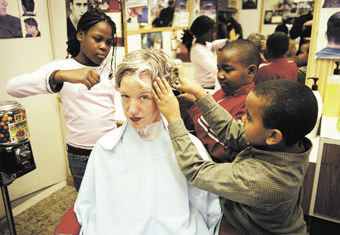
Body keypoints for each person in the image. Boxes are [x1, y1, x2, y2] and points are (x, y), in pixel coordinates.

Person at [74, 48, 222, 235]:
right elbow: (89, 207)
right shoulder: (105, 149)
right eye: (125, 96)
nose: (132, 110)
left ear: (165, 95)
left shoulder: (189, 148)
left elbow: (209, 209)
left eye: (144, 97)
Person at [153, 73, 318, 234]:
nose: (243, 120)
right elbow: (231, 130)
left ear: (273, 135)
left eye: (250, 117)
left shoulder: (261, 179)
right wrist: (199, 93)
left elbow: (196, 171)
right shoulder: (288, 145)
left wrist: (174, 119)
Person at [6, 10, 117, 191]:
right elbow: (13, 87)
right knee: (88, 205)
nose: (104, 46)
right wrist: (62, 75)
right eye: (98, 39)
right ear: (80, 35)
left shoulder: (110, 69)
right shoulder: (62, 67)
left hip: (112, 149)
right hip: (81, 154)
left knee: (113, 197)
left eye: (109, 42)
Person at [180, 39, 260, 163]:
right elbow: (198, 126)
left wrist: (194, 107)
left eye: (227, 70)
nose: (220, 75)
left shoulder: (250, 104)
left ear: (250, 71)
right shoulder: (221, 92)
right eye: (218, 69)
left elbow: (224, 147)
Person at [181, 15, 227, 89]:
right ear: (203, 33)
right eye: (212, 32)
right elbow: (214, 69)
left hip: (209, 86)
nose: (214, 34)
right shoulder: (197, 50)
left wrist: (226, 41)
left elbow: (214, 44)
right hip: (203, 87)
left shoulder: (206, 45)